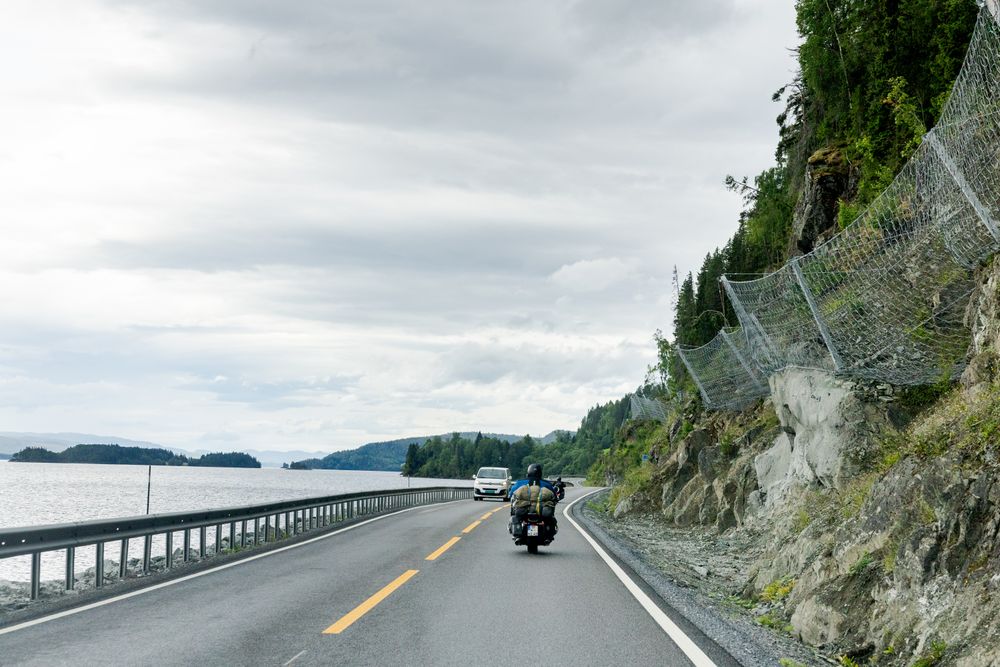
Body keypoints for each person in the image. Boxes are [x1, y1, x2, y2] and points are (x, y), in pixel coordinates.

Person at [509, 463, 559, 538]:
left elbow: (511, 494)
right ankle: (547, 533)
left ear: (528, 472)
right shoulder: (547, 484)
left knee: (515, 514)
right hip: (541, 512)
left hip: (524, 511)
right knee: (550, 516)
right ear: (540, 473)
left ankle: (518, 532)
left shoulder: (520, 483)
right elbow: (554, 496)